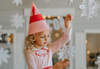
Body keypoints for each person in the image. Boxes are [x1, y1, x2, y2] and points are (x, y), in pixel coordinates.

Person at [23, 2, 74, 69]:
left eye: (48, 36)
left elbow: (65, 39)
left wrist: (67, 23)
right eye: (42, 37)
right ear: (33, 37)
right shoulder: (30, 52)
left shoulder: (49, 48)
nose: (46, 39)